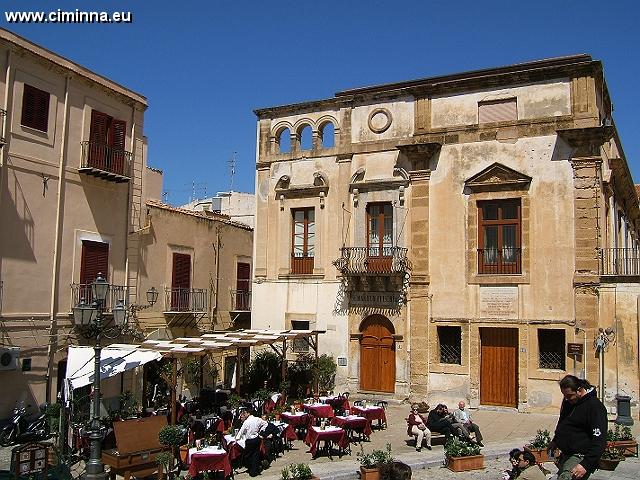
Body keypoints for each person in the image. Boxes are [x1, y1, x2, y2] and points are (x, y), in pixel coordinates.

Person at [548, 375, 607, 480]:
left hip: (579, 456)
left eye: (570, 395)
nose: (566, 398)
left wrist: (585, 464)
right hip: (566, 454)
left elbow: (599, 440)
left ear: (579, 390)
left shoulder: (594, 407)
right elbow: (563, 422)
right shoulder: (569, 402)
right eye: (564, 395)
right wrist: (556, 440)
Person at [236, 409, 268, 477]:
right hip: (256, 439)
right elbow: (265, 423)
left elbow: (241, 431)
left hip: (250, 440)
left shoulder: (246, 422)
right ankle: (254, 471)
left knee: (248, 455)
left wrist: (237, 438)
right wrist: (261, 431)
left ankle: (251, 469)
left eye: (245, 413)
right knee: (255, 455)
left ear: (248, 413)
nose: (244, 415)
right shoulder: (257, 419)